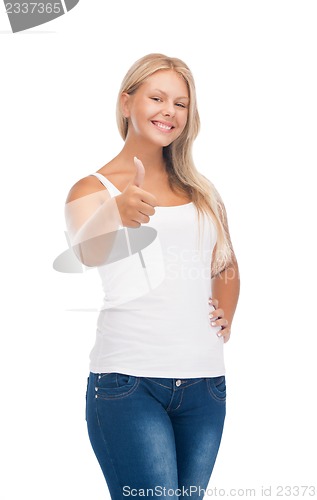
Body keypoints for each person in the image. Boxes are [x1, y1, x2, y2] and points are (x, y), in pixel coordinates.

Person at [64, 53, 240, 499]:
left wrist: (226, 313)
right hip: (128, 383)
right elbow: (86, 253)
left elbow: (226, 264)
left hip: (205, 385)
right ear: (127, 103)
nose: (170, 111)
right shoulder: (92, 189)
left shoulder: (202, 192)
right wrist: (115, 213)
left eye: (181, 103)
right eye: (156, 97)